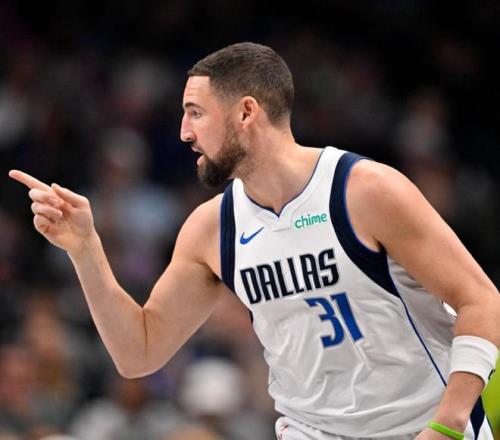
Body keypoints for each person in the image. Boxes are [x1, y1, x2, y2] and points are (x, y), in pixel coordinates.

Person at [9, 42, 500, 440]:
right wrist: (85, 249)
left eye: (195, 113)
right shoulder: (212, 227)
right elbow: (138, 353)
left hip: (423, 426)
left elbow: (481, 300)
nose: (183, 132)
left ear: (246, 111)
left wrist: (448, 422)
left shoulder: (365, 191)